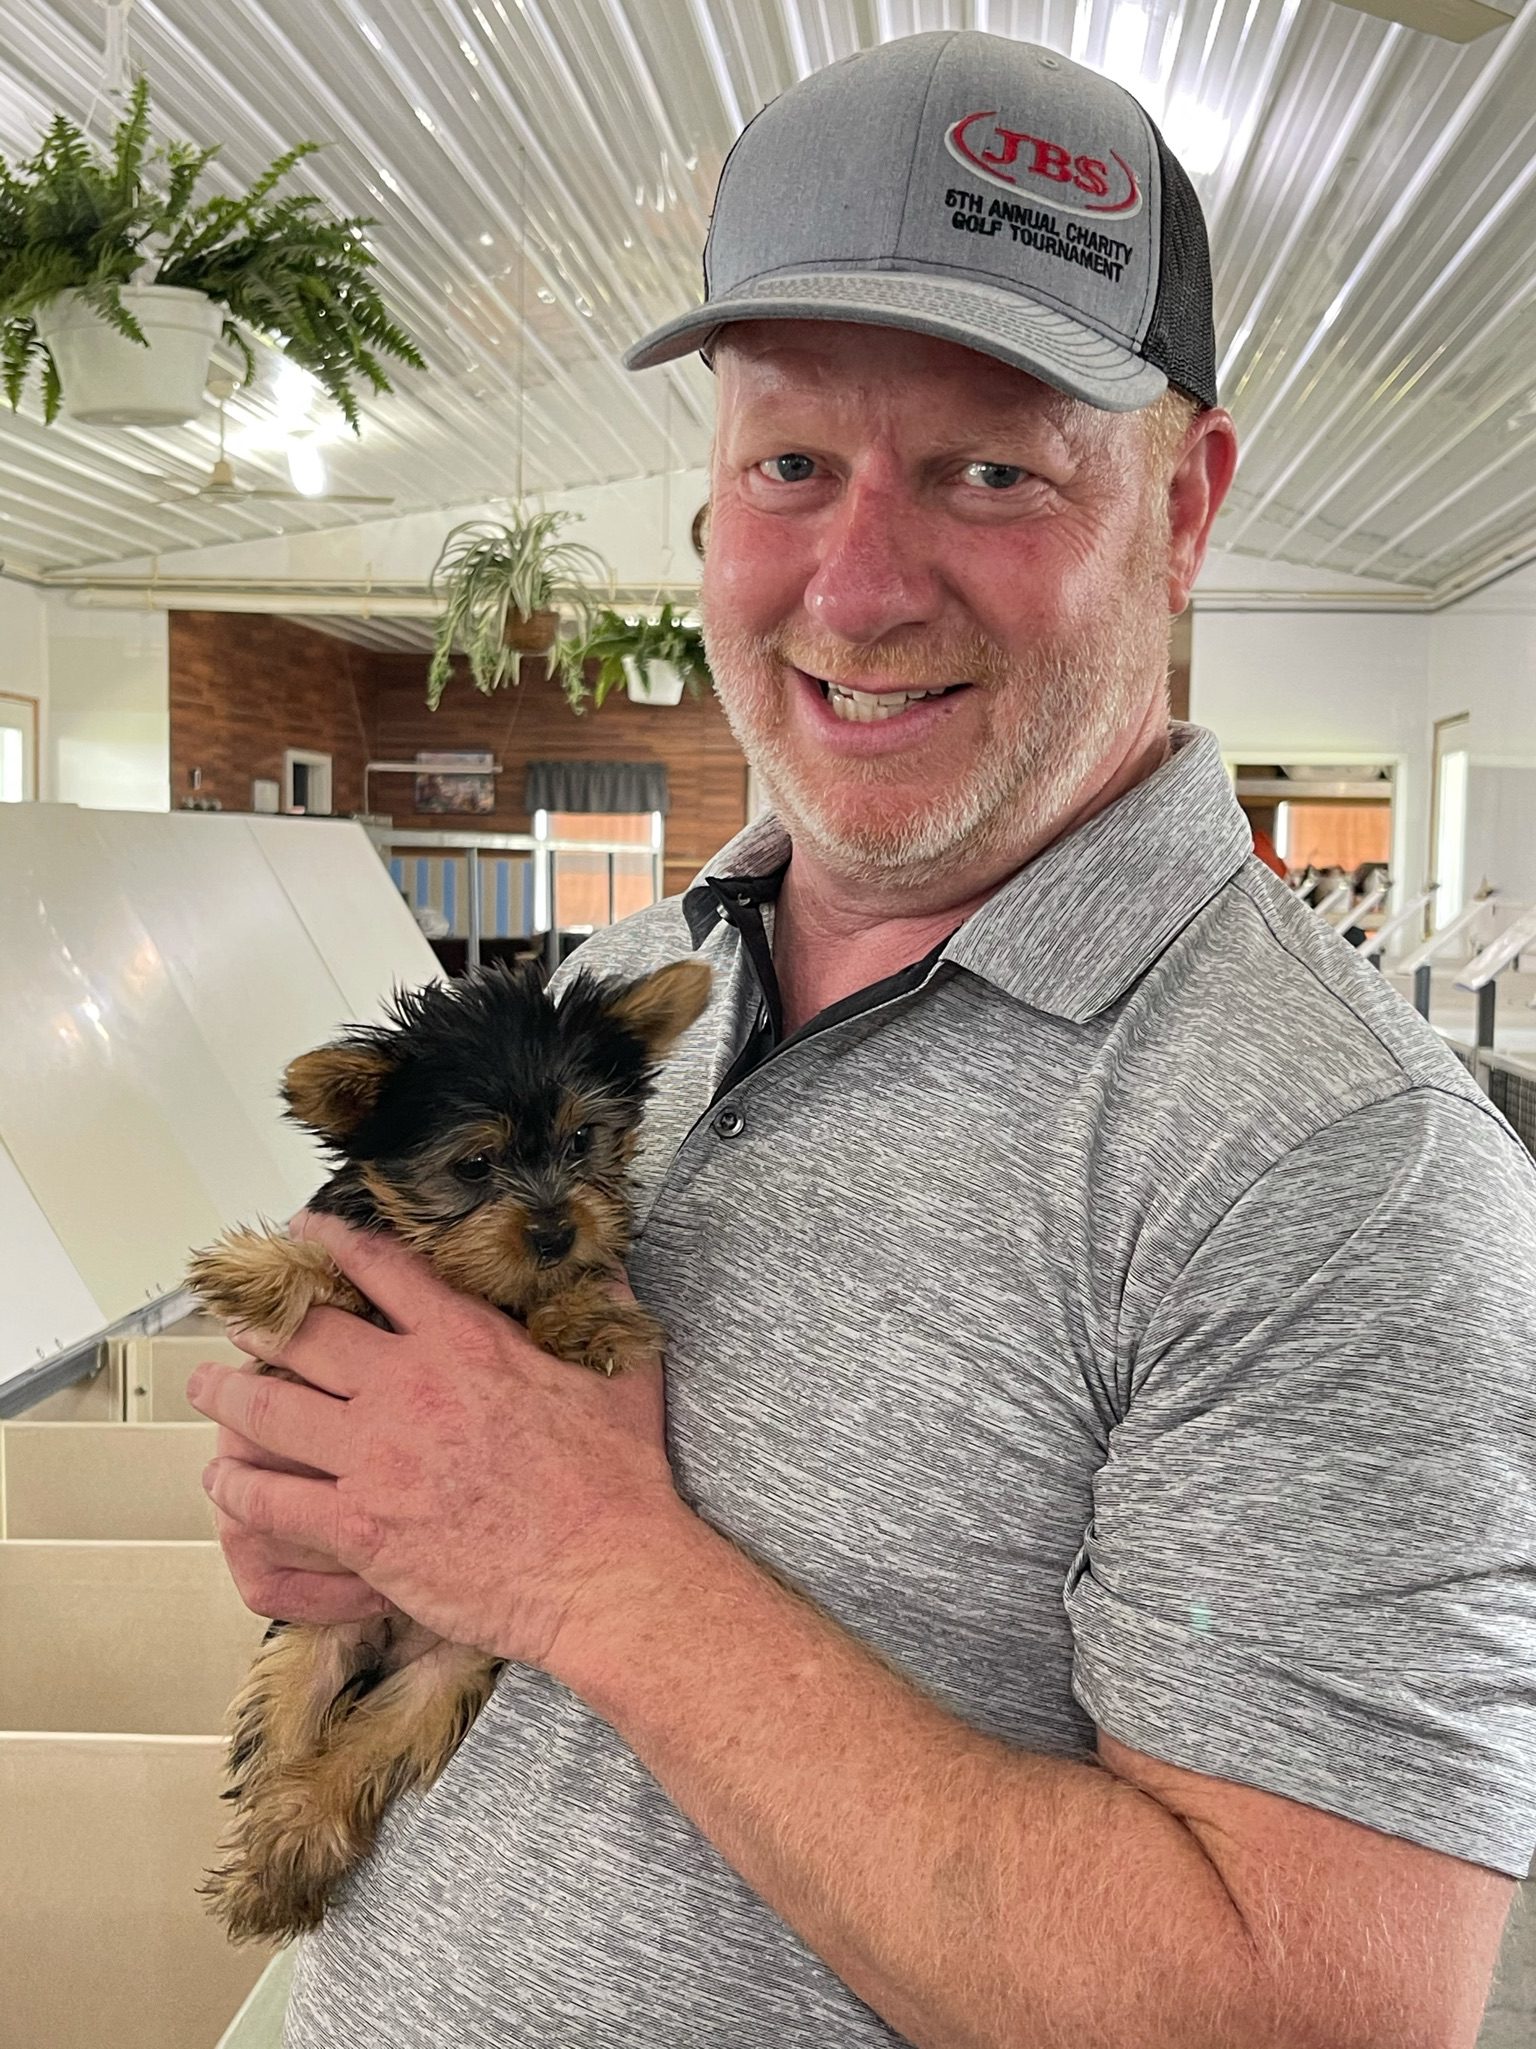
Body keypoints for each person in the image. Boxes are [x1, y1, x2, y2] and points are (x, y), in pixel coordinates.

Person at [189, 31, 1536, 2049]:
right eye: (791, 462)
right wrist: (343, 1495)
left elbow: (1309, 2010)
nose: (862, 577)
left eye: (994, 466)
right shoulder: (637, 974)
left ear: (1187, 506)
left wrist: (584, 1563)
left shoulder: (1349, 1167)